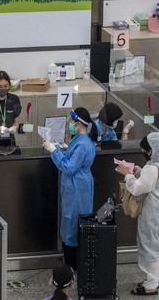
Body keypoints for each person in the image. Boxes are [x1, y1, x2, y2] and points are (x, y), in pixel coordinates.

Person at [115, 132, 159, 296]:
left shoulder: (152, 168)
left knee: (149, 248)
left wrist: (127, 175)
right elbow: (152, 181)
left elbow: (137, 188)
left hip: (153, 215)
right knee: (157, 246)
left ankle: (150, 285)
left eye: (145, 149)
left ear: (151, 150)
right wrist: (137, 171)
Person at [42, 107, 99, 271]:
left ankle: (72, 268)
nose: (70, 125)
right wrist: (56, 148)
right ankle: (71, 266)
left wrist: (54, 151)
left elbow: (69, 167)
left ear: (78, 123)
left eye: (72, 122)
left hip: (77, 188)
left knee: (73, 226)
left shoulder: (83, 144)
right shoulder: (79, 139)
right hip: (75, 186)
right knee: (70, 224)